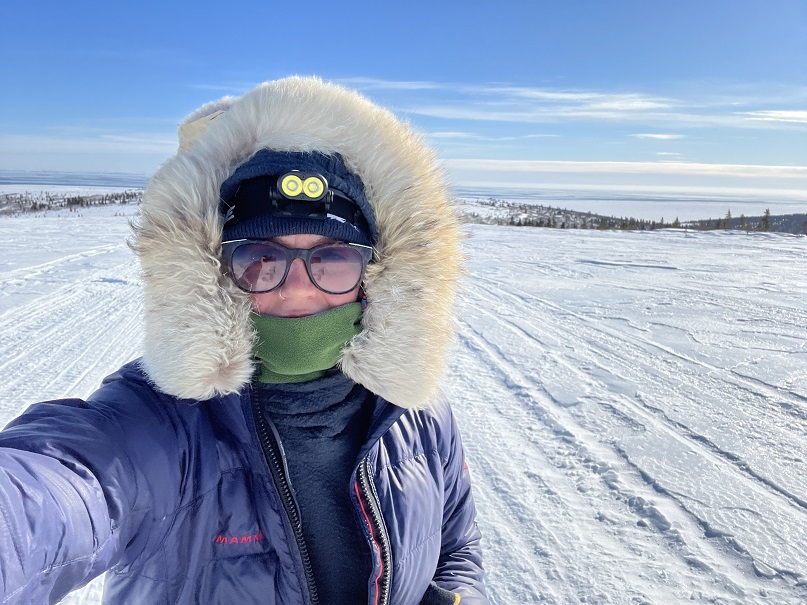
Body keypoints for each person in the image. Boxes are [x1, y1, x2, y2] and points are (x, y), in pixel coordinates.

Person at [0, 76, 487, 604]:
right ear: (216, 275)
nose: (299, 290)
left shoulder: (417, 413)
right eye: (261, 260)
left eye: (333, 258)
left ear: (376, 277)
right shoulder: (163, 424)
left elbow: (457, 544)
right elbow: (51, 493)